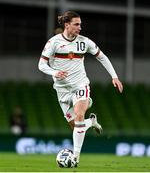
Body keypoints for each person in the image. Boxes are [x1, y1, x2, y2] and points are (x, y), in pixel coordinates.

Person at [38, 10, 123, 166]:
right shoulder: (54, 43)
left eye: (80, 24)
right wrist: (55, 72)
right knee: (77, 126)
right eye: (76, 24)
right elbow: (41, 64)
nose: (80, 27)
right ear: (67, 25)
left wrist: (114, 76)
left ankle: (75, 158)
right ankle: (91, 122)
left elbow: (102, 57)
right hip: (62, 90)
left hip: (80, 85)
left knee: (78, 116)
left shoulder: (85, 42)